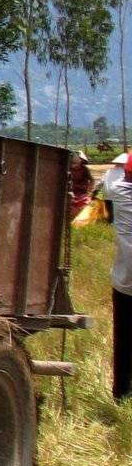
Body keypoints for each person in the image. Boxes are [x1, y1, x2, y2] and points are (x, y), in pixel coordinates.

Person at [102, 152, 132, 399]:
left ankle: (121, 393)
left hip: (125, 282)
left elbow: (109, 180)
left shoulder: (119, 194)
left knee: (123, 341)